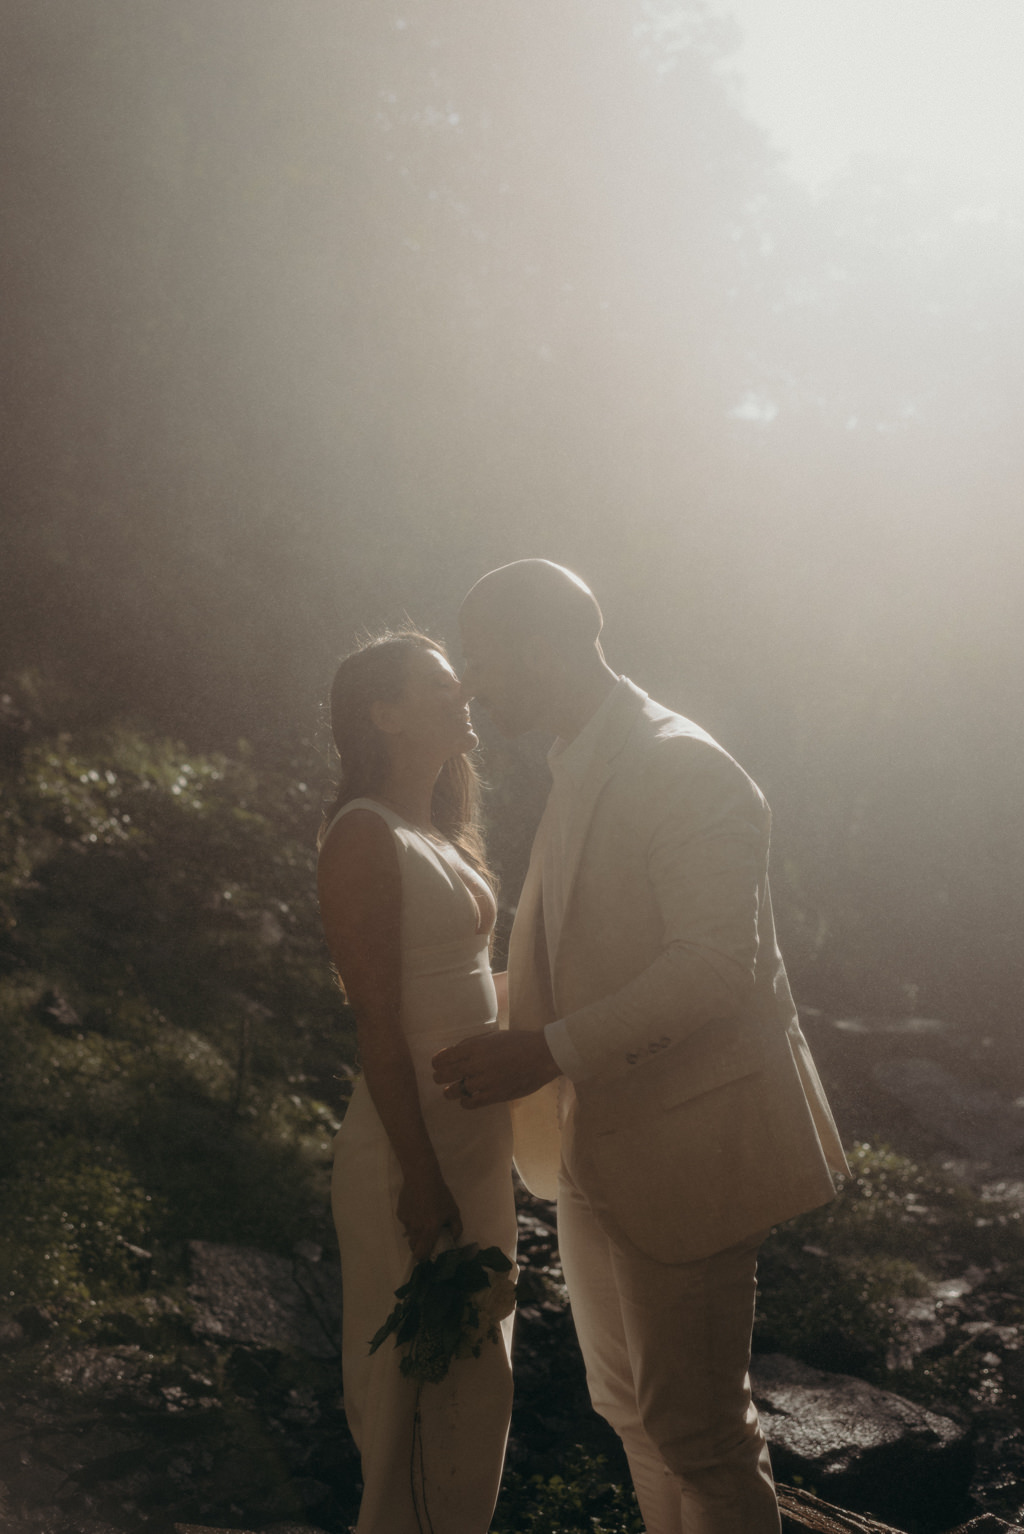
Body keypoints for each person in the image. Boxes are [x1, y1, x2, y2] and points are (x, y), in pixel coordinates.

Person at [433, 560, 848, 1534]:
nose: (475, 687)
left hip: (690, 1146)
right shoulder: (578, 755)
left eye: (483, 661)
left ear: (540, 650)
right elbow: (585, 945)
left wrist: (548, 1049)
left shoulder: (682, 763)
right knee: (630, 1411)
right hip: (598, 1137)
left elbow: (712, 968)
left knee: (701, 1431)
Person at [318, 631, 516, 1534]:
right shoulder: (362, 832)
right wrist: (423, 1175)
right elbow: (378, 1023)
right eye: (442, 683)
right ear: (383, 713)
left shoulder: (434, 830)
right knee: (412, 1390)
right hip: (414, 1150)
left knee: (475, 1380)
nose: (464, 691)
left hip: (474, 1146)